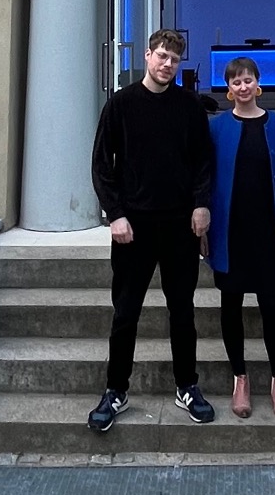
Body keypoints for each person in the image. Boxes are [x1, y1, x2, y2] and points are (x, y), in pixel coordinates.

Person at [87, 28, 217, 430]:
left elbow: (203, 161)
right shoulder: (121, 104)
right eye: (162, 56)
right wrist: (115, 214)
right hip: (134, 227)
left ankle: (187, 385)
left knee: (183, 311)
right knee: (126, 313)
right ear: (147, 56)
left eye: (174, 60)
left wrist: (201, 204)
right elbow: (101, 166)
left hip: (179, 224)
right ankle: (115, 390)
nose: (167, 64)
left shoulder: (190, 106)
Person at [206, 56, 275, 419]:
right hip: (230, 230)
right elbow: (206, 179)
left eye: (248, 80)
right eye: (235, 82)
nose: (242, 87)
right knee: (231, 306)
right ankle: (240, 377)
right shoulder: (215, 128)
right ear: (228, 90)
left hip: (267, 231)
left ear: (259, 85)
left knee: (272, 306)